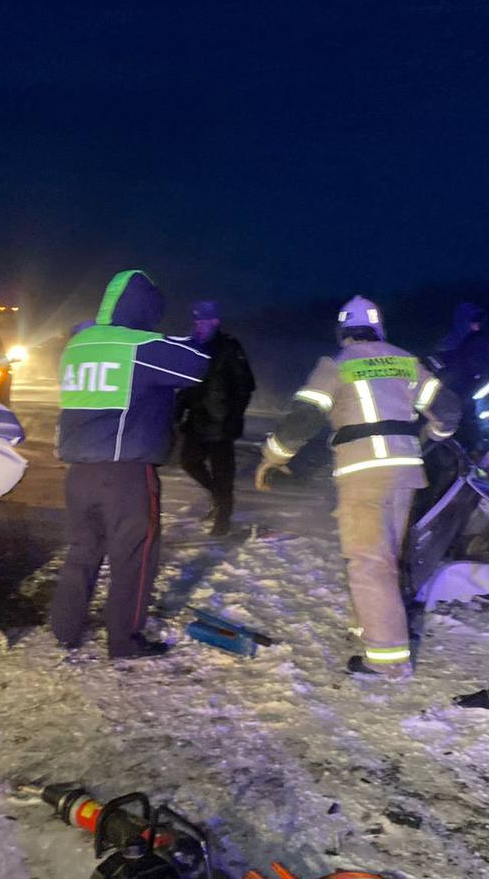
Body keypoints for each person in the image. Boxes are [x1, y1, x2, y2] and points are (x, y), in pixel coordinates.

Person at [254, 296, 461, 679]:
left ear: (343, 332)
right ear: (379, 328)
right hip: (405, 473)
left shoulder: (336, 365)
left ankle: (388, 661)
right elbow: (448, 412)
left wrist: (273, 456)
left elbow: (303, 418)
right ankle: (370, 626)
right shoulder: (405, 360)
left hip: (363, 472)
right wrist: (434, 433)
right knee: (385, 558)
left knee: (369, 562)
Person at [50, 270, 209, 659]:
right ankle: (125, 641)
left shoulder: (78, 345)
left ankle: (64, 629)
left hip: (78, 475)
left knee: (82, 551)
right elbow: (195, 366)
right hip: (125, 475)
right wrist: (201, 332)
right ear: (145, 308)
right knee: (133, 558)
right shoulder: (140, 345)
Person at [175, 301, 256, 537]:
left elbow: (246, 385)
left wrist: (234, 415)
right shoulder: (192, 347)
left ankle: (223, 517)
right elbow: (184, 384)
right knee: (189, 462)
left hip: (222, 423)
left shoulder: (229, 347)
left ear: (215, 321)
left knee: (223, 473)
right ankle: (217, 497)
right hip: (196, 421)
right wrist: (178, 411)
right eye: (197, 320)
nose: (199, 325)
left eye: (204, 320)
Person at [428, 302, 489, 449]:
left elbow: (485, 366)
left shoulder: (478, 341)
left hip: (468, 392)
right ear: (465, 321)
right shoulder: (448, 342)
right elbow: (435, 365)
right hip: (449, 393)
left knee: (468, 423)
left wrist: (480, 381)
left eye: (479, 322)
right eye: (474, 322)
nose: (477, 325)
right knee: (451, 424)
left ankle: (472, 450)